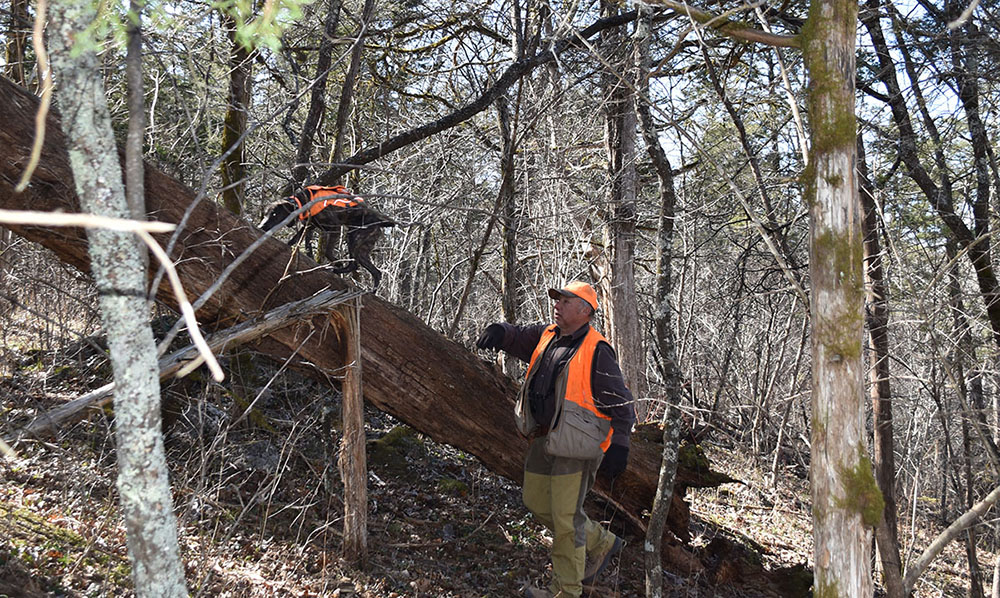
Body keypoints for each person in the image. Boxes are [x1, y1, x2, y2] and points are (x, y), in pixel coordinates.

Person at [476, 281, 635, 598]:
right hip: (544, 438)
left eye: (565, 300)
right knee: (534, 502)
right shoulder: (547, 334)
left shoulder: (597, 350)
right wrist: (499, 331)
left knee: (565, 521)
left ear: (584, 310)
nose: (557, 305)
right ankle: (600, 542)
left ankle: (566, 590)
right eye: (557, 299)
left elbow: (622, 403)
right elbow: (518, 336)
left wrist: (620, 445)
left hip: (577, 446)